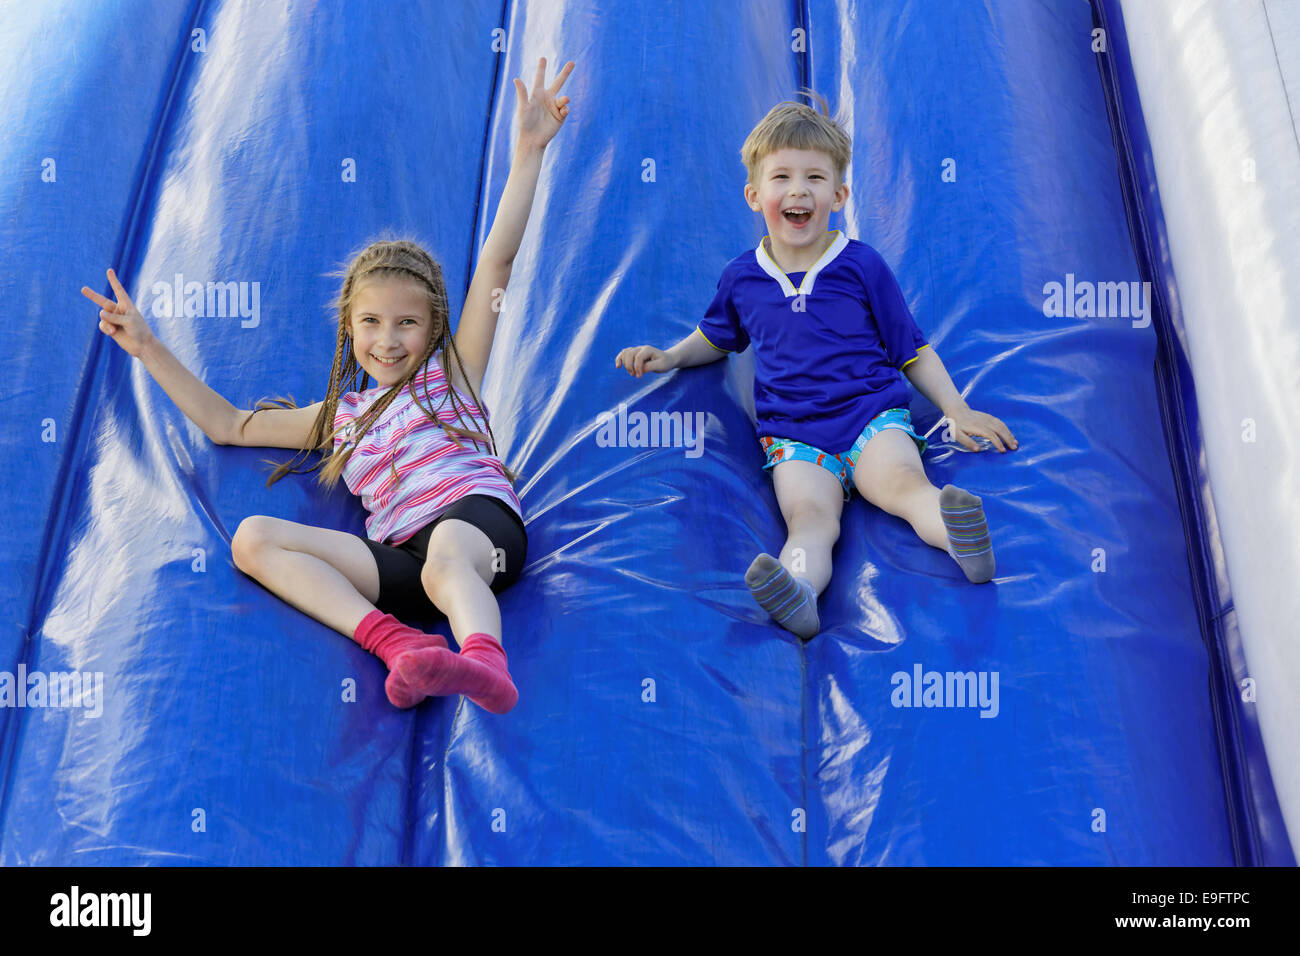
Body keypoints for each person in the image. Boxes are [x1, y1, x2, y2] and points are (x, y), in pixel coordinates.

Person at [80, 57, 576, 709]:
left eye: (407, 323)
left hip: (481, 534)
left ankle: (485, 658)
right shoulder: (343, 417)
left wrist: (529, 150)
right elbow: (229, 425)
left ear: (432, 331)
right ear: (349, 327)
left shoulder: (449, 377)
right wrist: (147, 347)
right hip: (406, 562)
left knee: (450, 551)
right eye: (371, 322)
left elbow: (496, 260)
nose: (388, 339)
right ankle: (399, 645)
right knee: (253, 539)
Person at [614, 93, 1018, 639]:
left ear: (840, 194)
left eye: (815, 177)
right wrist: (668, 357)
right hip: (796, 436)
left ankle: (962, 539)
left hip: (870, 419)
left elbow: (911, 350)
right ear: (755, 196)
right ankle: (800, 593)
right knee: (809, 520)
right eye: (782, 177)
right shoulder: (743, 278)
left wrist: (956, 408)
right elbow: (716, 337)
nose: (798, 190)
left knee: (902, 485)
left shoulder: (861, 265)